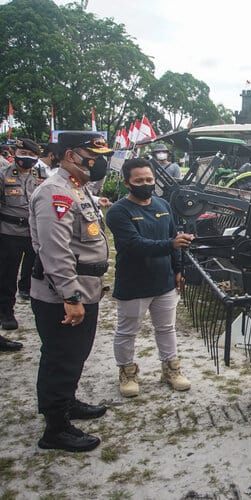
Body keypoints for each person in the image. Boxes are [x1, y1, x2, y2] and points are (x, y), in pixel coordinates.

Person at [29, 131, 113, 452]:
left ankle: (67, 402)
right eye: (91, 156)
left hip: (82, 288)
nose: (98, 162)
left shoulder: (77, 188)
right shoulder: (56, 192)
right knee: (61, 356)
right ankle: (55, 429)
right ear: (68, 156)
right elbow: (54, 250)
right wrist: (71, 296)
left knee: (75, 354)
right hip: (62, 294)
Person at [106, 158, 193, 398]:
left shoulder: (163, 205)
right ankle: (127, 372)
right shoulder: (118, 212)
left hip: (163, 280)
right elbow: (134, 245)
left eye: (149, 179)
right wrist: (171, 244)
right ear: (127, 183)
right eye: (139, 180)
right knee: (127, 331)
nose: (146, 184)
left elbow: (173, 238)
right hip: (134, 282)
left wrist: (178, 269)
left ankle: (171, 370)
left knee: (166, 328)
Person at [0, 138, 42, 333]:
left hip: (33, 232)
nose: (27, 158)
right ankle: (6, 312)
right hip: (9, 233)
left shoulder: (40, 176)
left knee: (35, 273)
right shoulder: (3, 175)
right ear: (16, 153)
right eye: (23, 153)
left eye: (32, 155)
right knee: (7, 274)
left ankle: (37, 306)